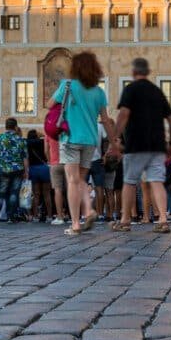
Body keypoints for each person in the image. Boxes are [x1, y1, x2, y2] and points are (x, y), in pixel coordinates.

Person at [51, 50, 116, 235]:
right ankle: (88, 210)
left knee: (72, 181)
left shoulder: (67, 85)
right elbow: (105, 119)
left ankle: (75, 224)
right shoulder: (99, 92)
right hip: (90, 141)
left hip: (70, 138)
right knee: (80, 179)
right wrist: (113, 143)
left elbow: (50, 104)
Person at [113, 57, 171, 233]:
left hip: (135, 144)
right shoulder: (157, 91)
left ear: (133, 72)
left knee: (130, 182)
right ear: (148, 72)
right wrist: (170, 142)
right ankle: (162, 220)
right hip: (157, 145)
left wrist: (115, 139)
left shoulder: (130, 90)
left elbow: (123, 114)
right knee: (157, 182)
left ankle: (125, 221)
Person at [0, 118, 26, 222]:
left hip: (4, 169)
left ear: (6, 127)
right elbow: (24, 157)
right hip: (18, 169)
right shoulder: (20, 140)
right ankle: (11, 216)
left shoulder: (0, 138)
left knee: (0, 193)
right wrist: (26, 171)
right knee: (14, 193)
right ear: (15, 127)